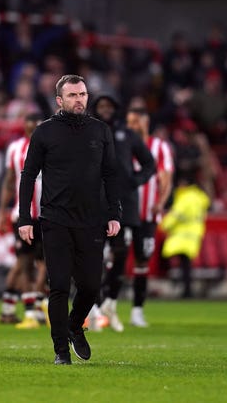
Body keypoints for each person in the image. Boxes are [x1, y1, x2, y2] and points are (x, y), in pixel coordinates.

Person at [18, 74, 122, 365]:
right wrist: (25, 217)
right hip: (55, 220)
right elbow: (28, 176)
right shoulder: (44, 132)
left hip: (92, 221)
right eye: (73, 95)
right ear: (60, 100)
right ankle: (61, 350)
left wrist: (114, 213)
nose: (80, 99)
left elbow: (110, 174)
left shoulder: (100, 131)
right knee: (60, 285)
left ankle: (76, 325)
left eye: (83, 94)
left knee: (90, 287)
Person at [89, 96, 155, 333]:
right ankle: (93, 307)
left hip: (123, 205)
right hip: (93, 205)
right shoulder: (86, 132)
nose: (105, 111)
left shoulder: (128, 135)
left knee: (121, 253)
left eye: (109, 107)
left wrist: (134, 181)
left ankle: (109, 302)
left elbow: (150, 164)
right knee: (92, 256)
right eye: (101, 107)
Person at [0, 112, 48, 328]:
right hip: (22, 214)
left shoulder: (52, 146)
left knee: (47, 262)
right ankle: (31, 311)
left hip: (47, 215)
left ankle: (26, 306)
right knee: (24, 262)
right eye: (30, 123)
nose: (33, 127)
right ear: (24, 126)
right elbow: (9, 181)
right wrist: (1, 211)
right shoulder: (15, 148)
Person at [126, 106, 174, 327]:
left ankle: (137, 310)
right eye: (130, 122)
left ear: (146, 123)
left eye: (136, 122)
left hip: (147, 215)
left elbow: (165, 178)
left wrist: (161, 203)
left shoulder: (159, 147)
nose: (132, 126)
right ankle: (103, 305)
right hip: (123, 213)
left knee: (142, 261)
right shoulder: (121, 144)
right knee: (111, 259)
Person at [160, 173, 210, 298]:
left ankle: (184, 290)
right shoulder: (199, 198)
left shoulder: (185, 198)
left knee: (176, 260)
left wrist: (163, 225)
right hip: (194, 235)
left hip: (182, 236)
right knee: (186, 265)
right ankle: (187, 289)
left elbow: (176, 215)